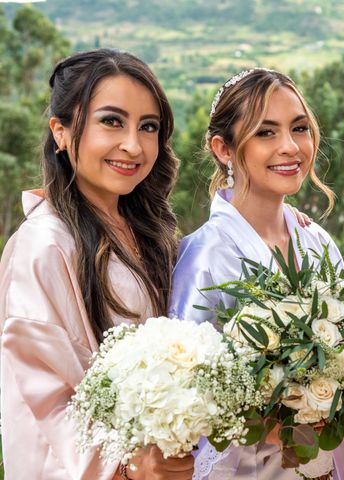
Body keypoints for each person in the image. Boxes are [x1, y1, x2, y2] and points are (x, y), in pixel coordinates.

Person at [0, 49, 194, 480]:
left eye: (148, 127)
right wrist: (127, 467)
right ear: (61, 131)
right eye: (112, 121)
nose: (133, 144)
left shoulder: (147, 231)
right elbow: (46, 397)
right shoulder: (44, 245)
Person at [169, 68, 344, 480]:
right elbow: (189, 393)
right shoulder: (205, 255)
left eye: (299, 128)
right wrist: (276, 424)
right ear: (223, 148)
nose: (290, 147)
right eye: (266, 133)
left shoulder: (318, 243)